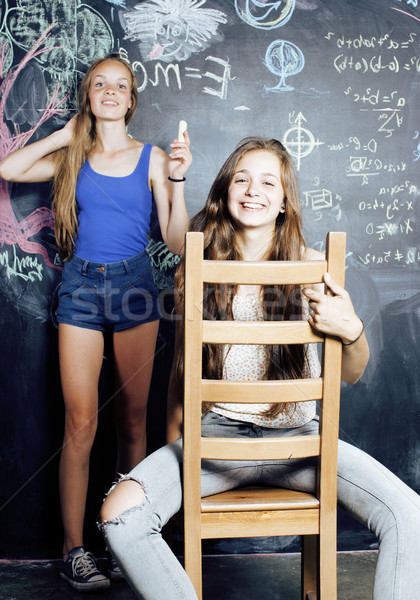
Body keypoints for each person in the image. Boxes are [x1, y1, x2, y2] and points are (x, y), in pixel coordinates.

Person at [98, 137, 420, 600]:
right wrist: (176, 456)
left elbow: (351, 372)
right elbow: (181, 373)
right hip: (218, 440)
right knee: (120, 514)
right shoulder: (199, 265)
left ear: (285, 201)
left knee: (408, 515)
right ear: (226, 191)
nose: (253, 190)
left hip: (302, 443)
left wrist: (350, 329)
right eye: (242, 178)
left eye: (269, 181)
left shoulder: (315, 267)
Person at [0, 54, 192, 591]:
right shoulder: (73, 157)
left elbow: (176, 242)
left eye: (121, 86)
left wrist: (176, 180)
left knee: (133, 421)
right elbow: (8, 169)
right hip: (81, 287)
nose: (110, 91)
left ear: (132, 100)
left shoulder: (153, 158)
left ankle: (120, 541)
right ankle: (74, 548)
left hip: (135, 288)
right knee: (80, 424)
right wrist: (64, 136)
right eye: (99, 84)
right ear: (89, 97)